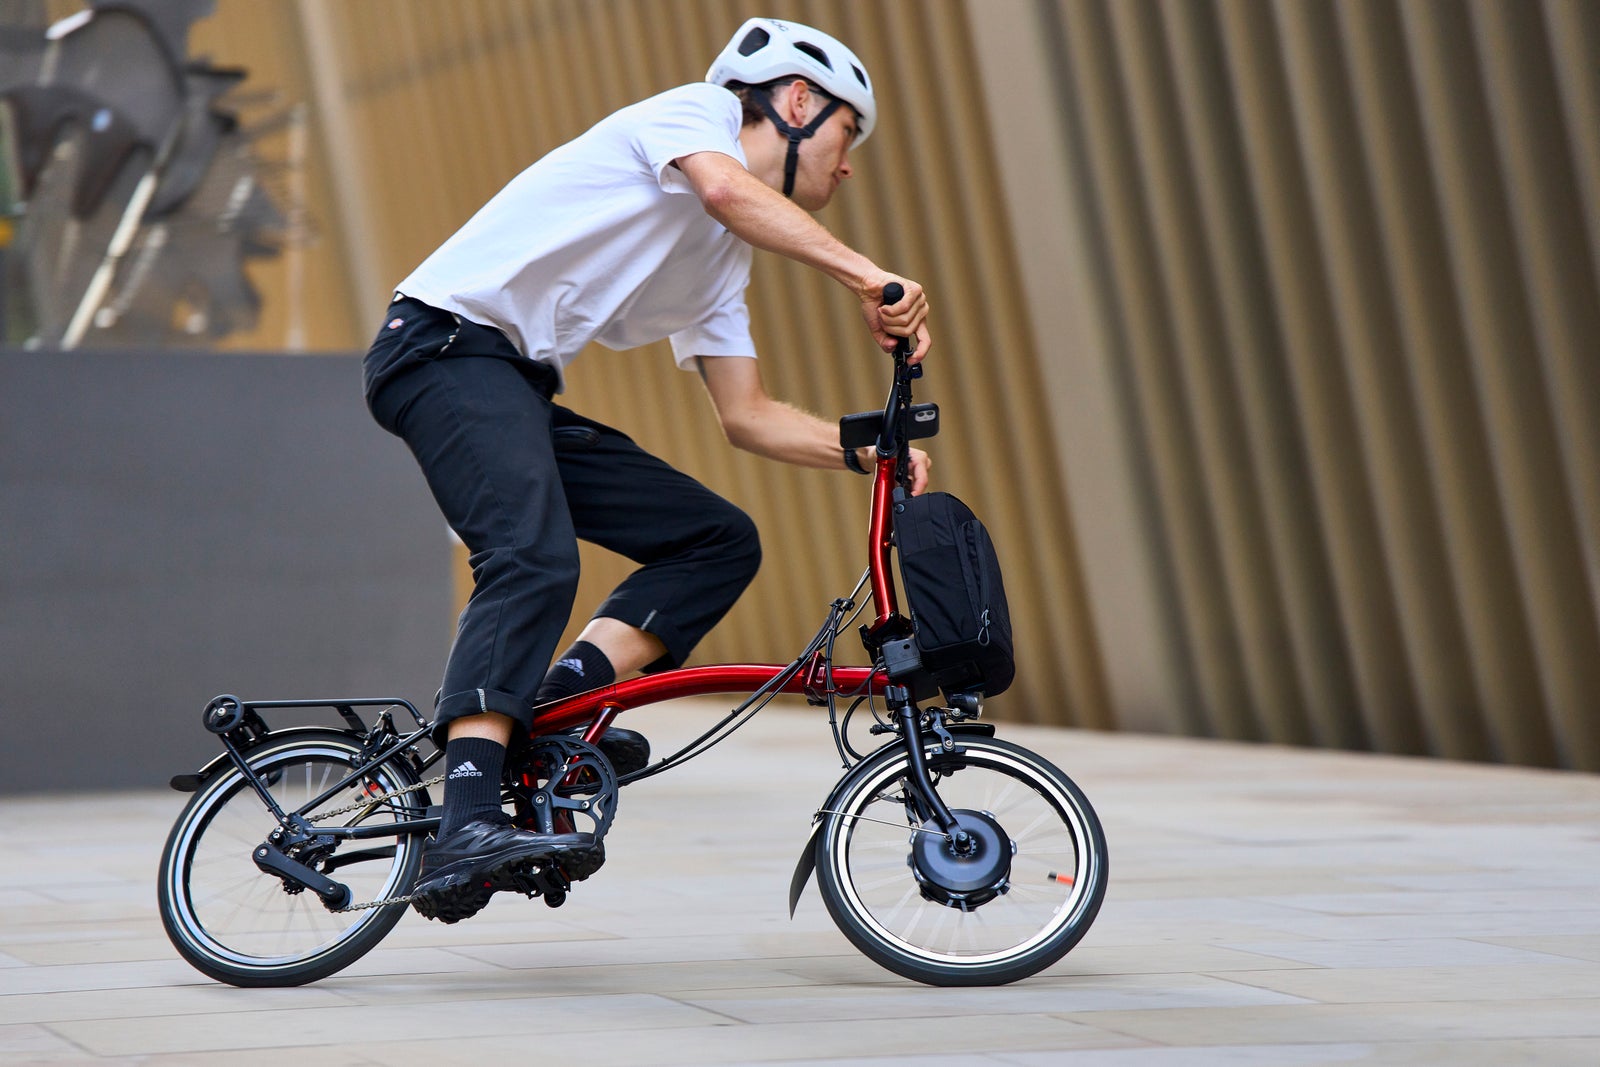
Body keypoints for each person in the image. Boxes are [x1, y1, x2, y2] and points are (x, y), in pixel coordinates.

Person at [362, 17, 932, 924]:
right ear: (795, 103)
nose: (847, 163)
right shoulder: (689, 117)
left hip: (505, 378)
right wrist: (869, 278)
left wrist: (868, 452)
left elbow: (747, 417)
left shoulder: (721, 262)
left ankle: (554, 711)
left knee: (715, 538)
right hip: (441, 347)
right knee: (532, 555)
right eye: (845, 133)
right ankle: (465, 815)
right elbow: (725, 192)